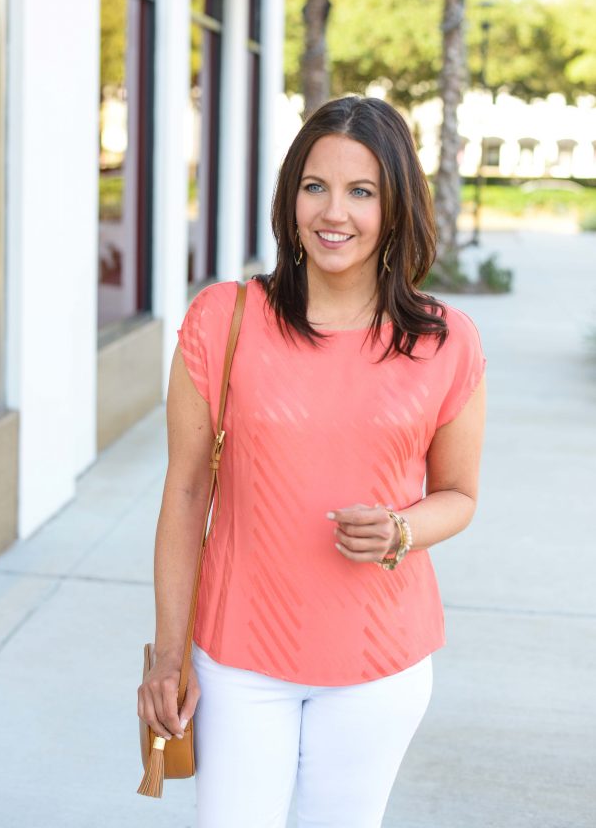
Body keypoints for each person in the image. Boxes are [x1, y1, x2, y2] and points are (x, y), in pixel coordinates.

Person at [138, 95, 486, 827]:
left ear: (394, 210)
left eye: (362, 191)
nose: (335, 212)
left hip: (378, 661)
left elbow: (457, 494)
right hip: (237, 658)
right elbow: (185, 492)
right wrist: (167, 656)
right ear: (290, 196)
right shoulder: (223, 318)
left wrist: (400, 530)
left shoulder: (444, 341)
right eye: (314, 186)